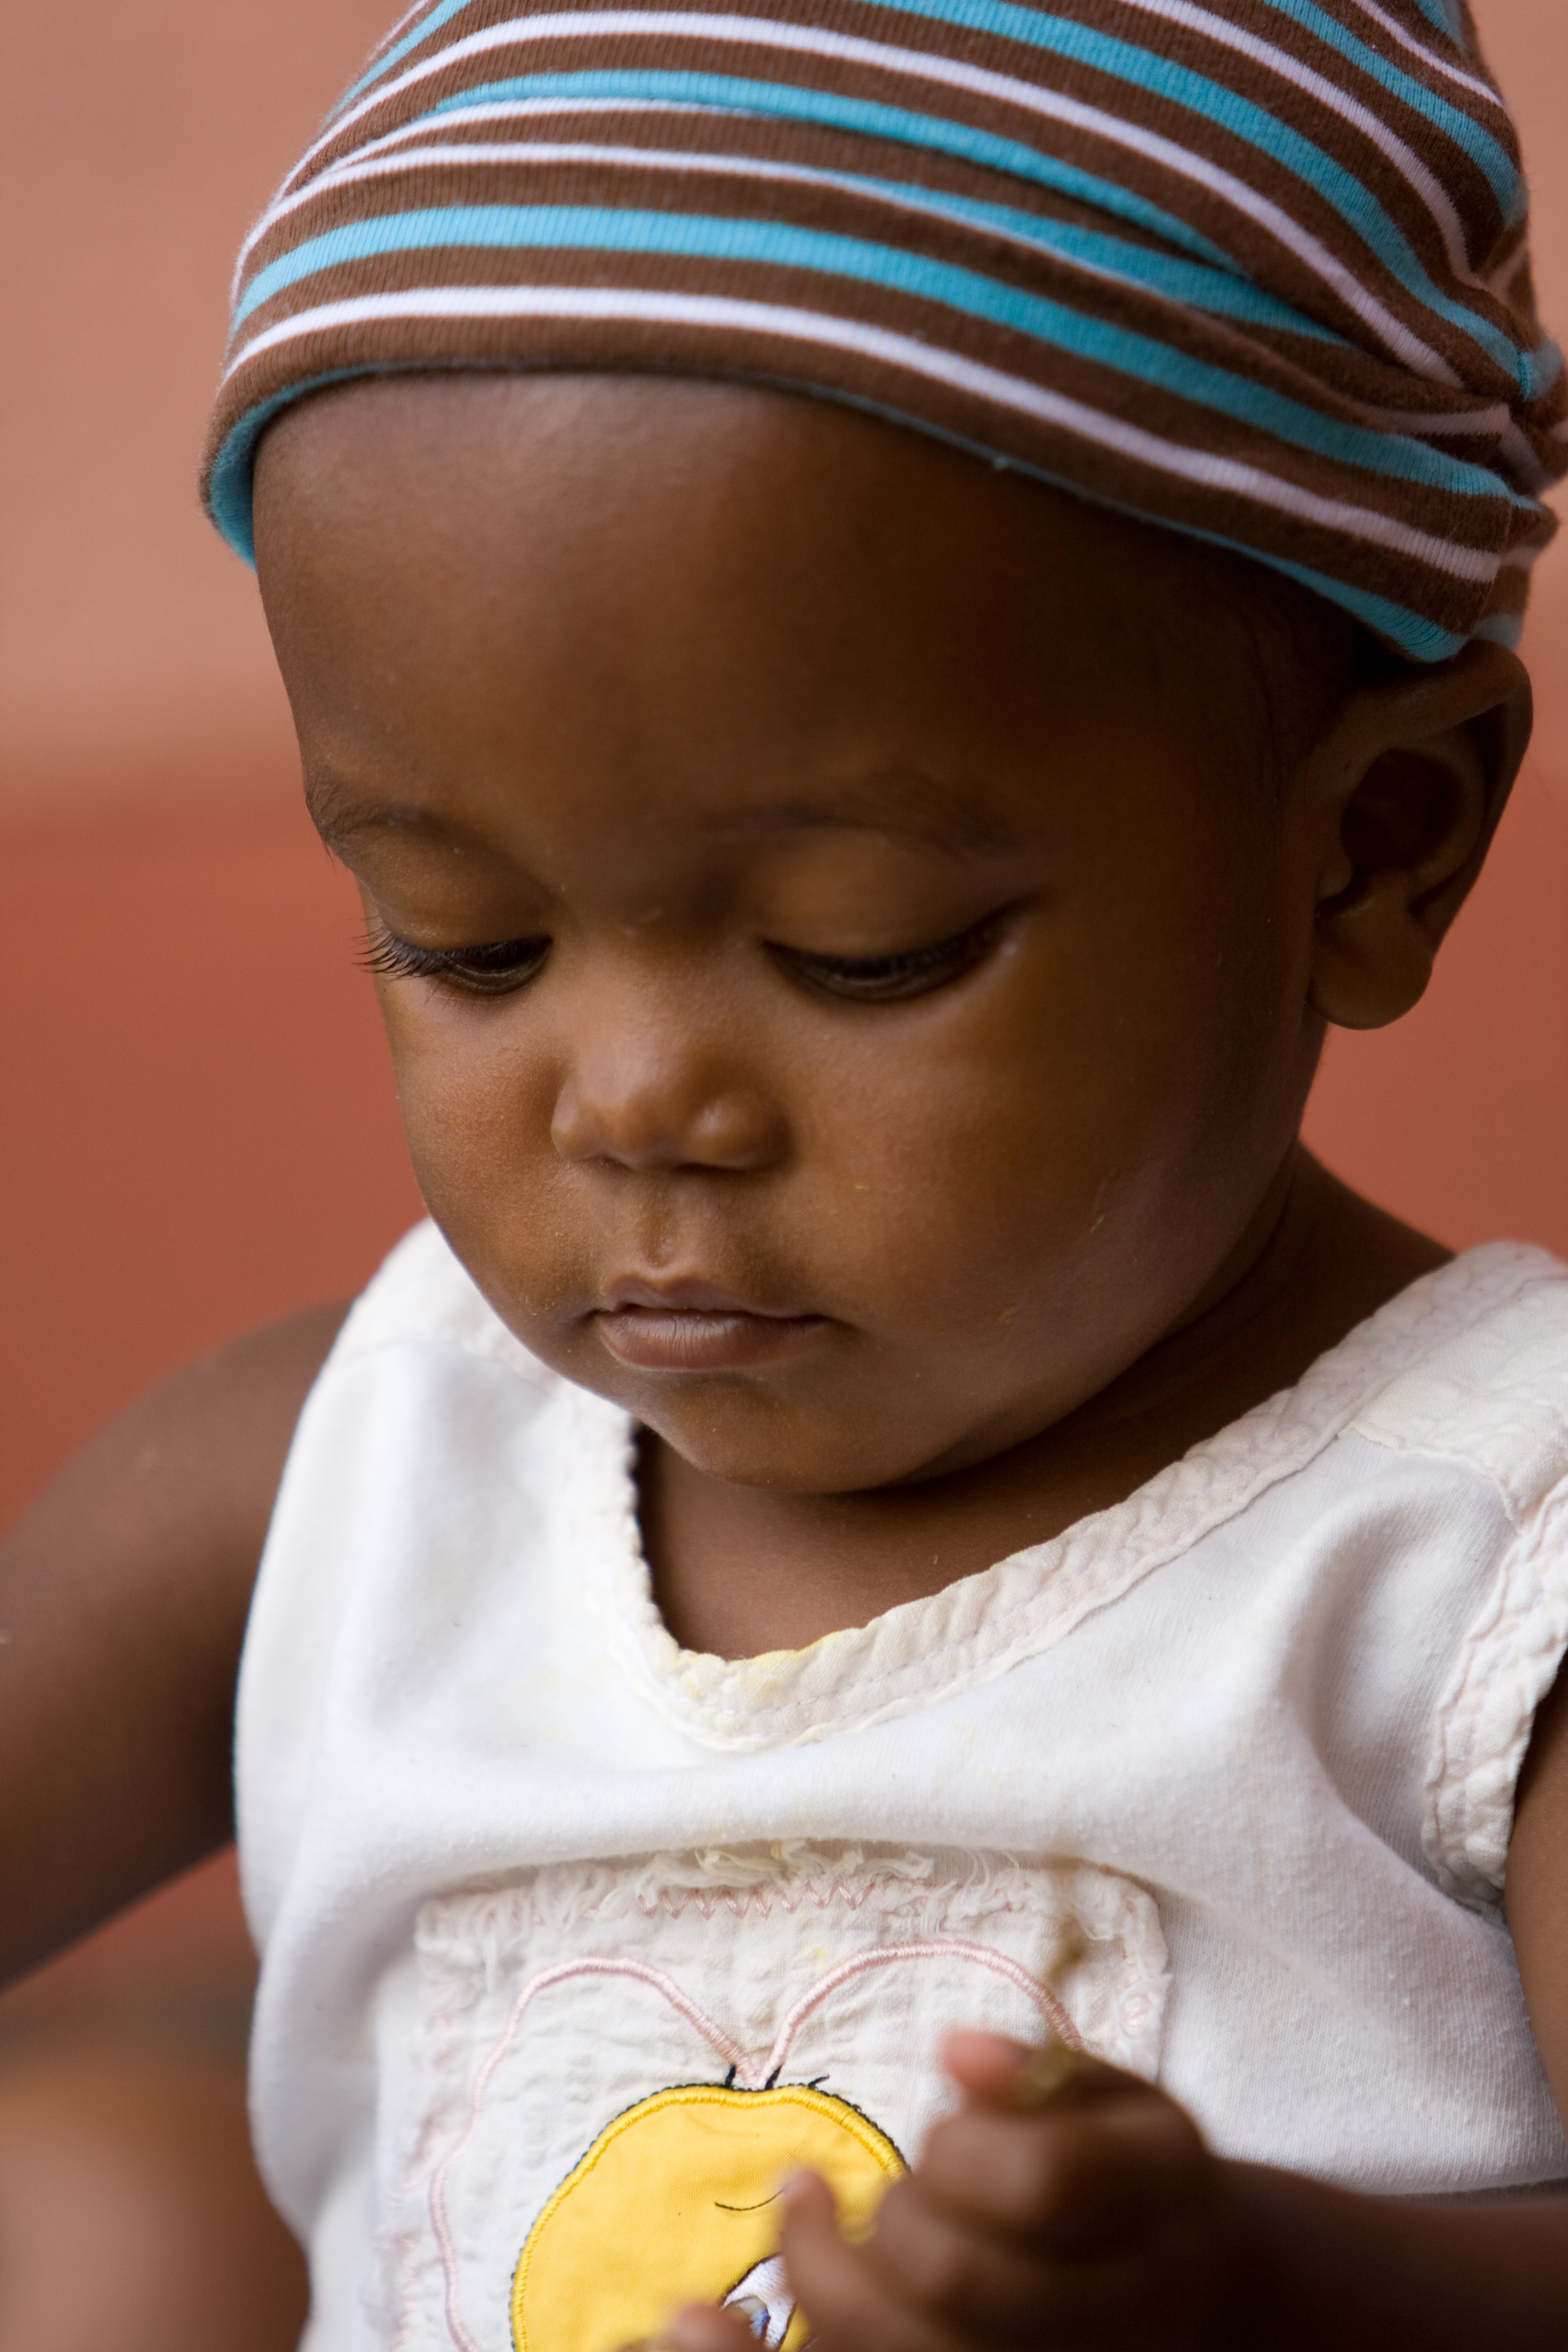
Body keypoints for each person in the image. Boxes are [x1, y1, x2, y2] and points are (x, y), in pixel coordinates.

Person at [4, 0, 1568, 2345]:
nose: (631, 1102)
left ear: (1375, 846)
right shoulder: (351, 1466)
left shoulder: (1481, 1563)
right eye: (469, 938)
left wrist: (1280, 2285)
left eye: (863, 948)